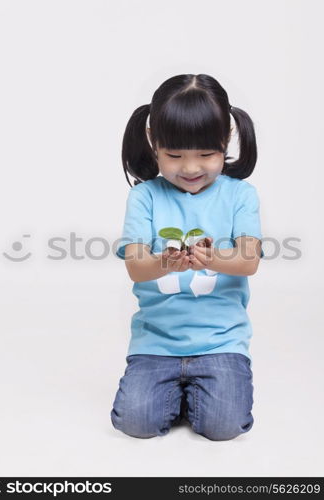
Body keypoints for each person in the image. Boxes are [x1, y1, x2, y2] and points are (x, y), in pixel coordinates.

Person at [111, 74, 264, 441]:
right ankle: (174, 392)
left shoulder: (240, 195)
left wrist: (212, 259)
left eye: (206, 155)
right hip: (156, 343)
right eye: (175, 156)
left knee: (224, 428)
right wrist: (165, 262)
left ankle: (197, 393)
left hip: (220, 342)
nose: (191, 168)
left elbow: (248, 261)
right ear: (153, 143)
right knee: (135, 424)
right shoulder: (145, 197)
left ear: (225, 140)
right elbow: (136, 266)